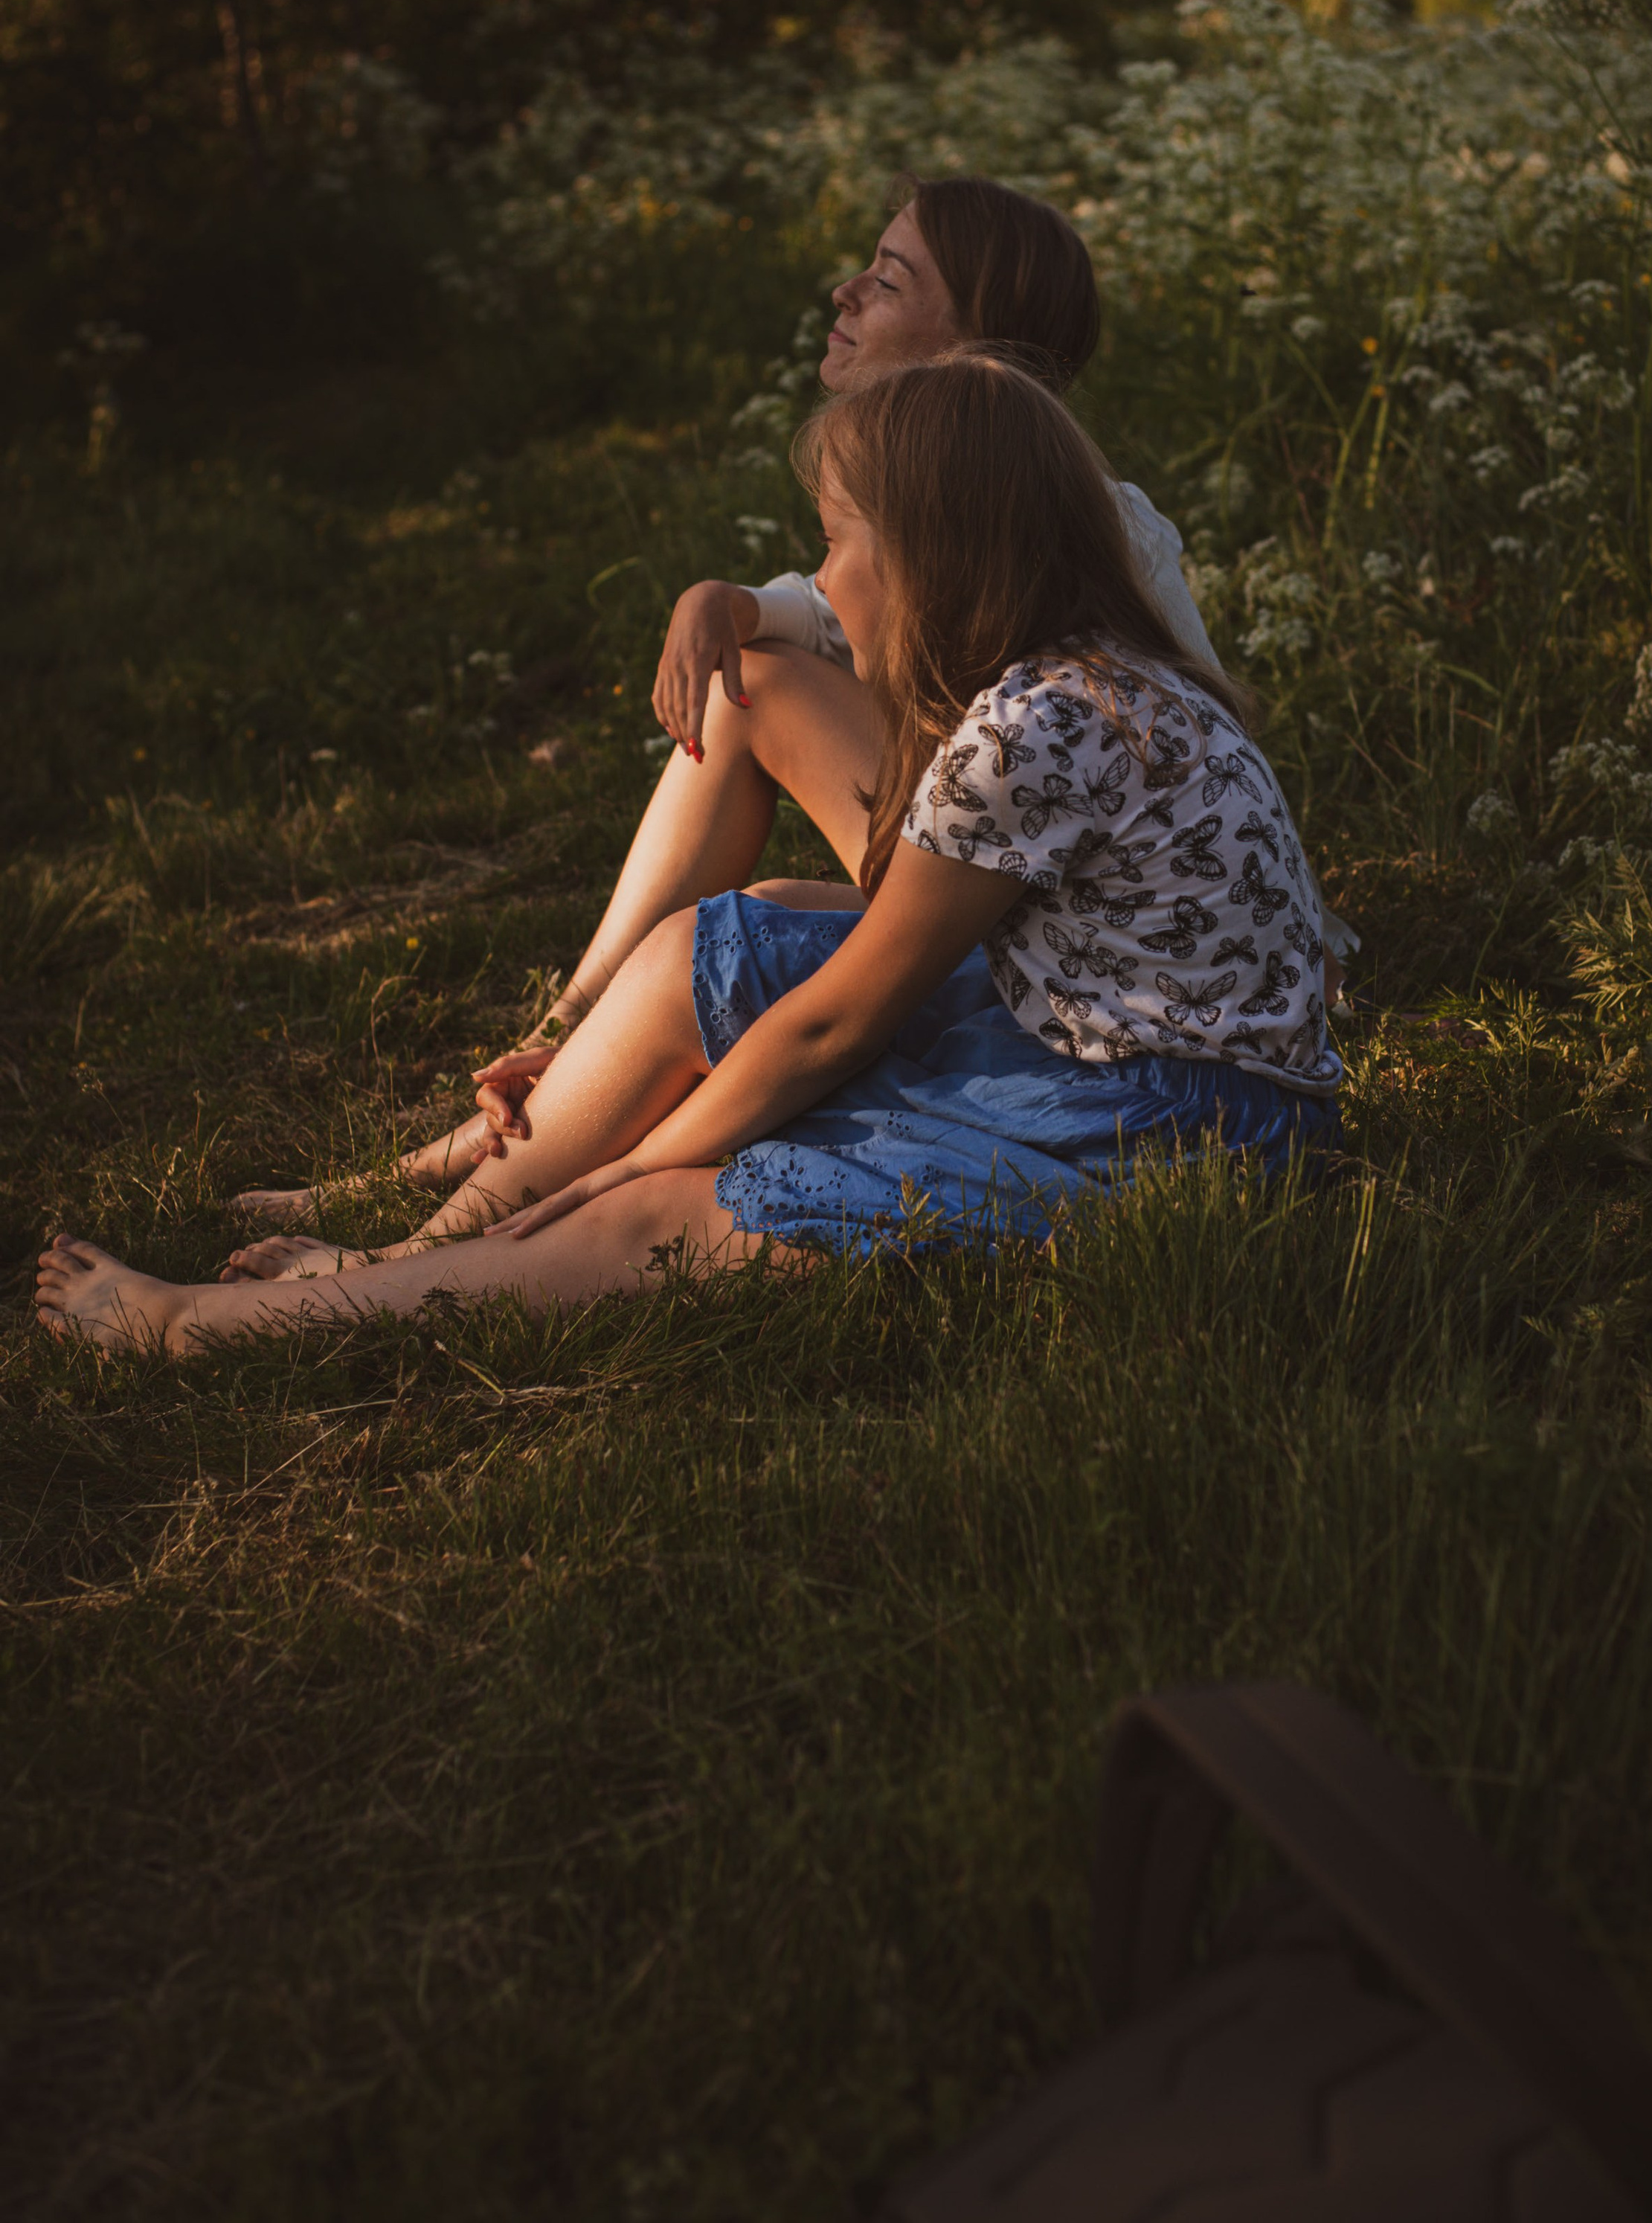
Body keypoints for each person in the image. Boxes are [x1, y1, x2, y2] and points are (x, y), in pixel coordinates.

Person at [37, 351, 1345, 1359]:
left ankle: (202, 1329)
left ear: (937, 558)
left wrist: (637, 1159)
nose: (823, 587)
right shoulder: (1082, 687)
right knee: (714, 952)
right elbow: (891, 956)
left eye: (839, 546)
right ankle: (415, 1253)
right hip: (1087, 1054)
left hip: (1168, 1138)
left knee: (679, 1211)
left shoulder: (1038, 726)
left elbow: (838, 1027)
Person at [228, 172, 1248, 1238]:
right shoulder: (957, 500)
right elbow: (812, 615)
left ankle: (501, 1177)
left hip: (1098, 957)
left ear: (976, 351)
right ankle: (563, 1062)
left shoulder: (1080, 536)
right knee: (758, 811)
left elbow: (1159, 767)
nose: (847, 291)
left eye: (890, 280)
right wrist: (718, 601)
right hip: (1022, 900)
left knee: (749, 851)